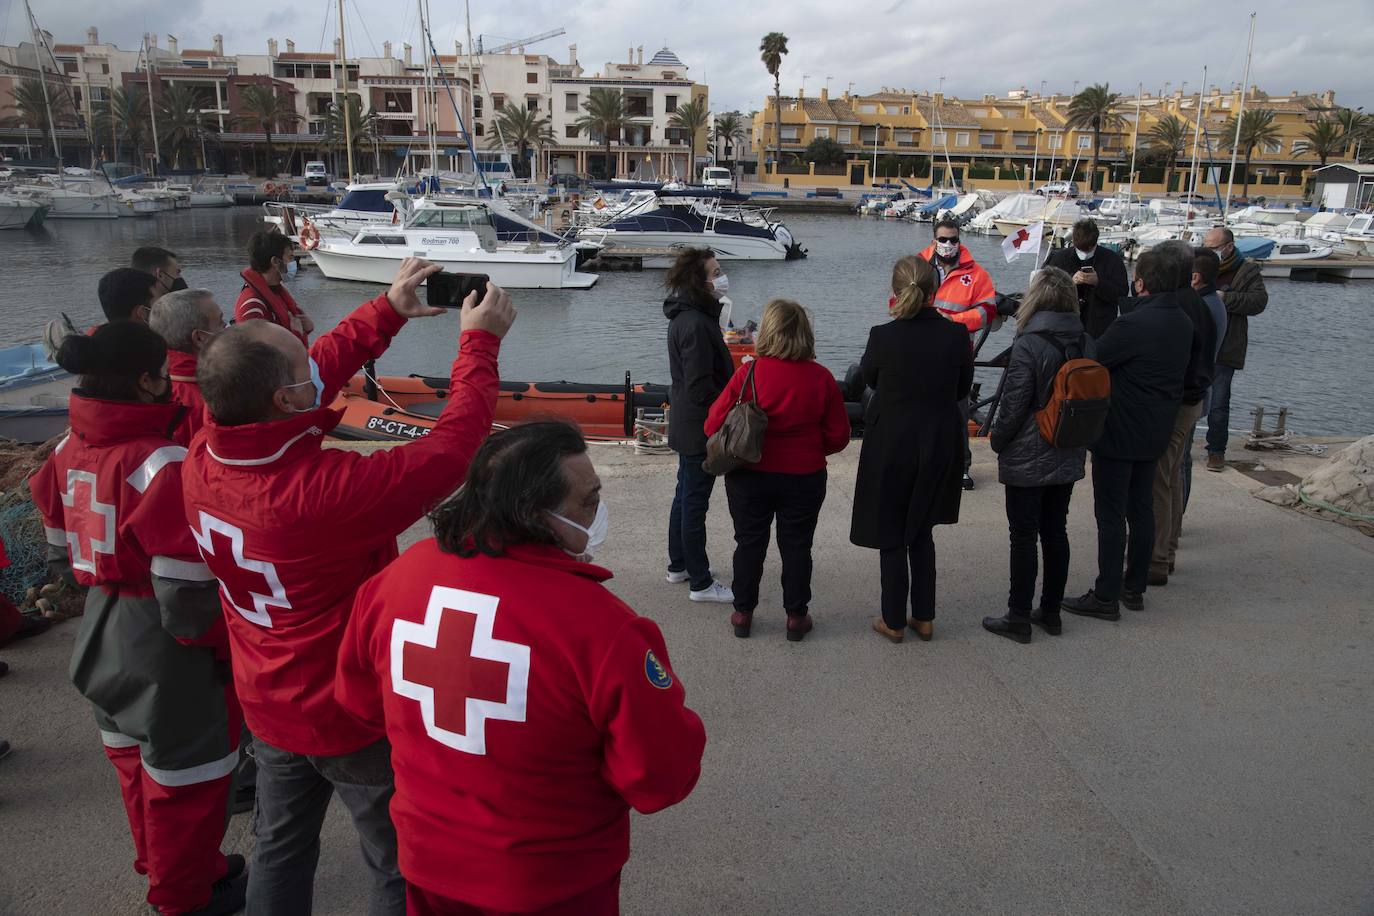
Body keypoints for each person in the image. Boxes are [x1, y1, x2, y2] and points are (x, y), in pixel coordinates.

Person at [183, 259, 514, 915]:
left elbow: (308, 374)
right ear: (284, 400)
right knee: (398, 860)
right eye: (300, 368)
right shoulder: (320, 495)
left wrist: (386, 310)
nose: (314, 364)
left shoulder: (205, 454)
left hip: (267, 698)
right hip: (348, 708)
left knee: (281, 846)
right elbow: (452, 449)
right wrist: (479, 343)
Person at [335, 422, 706, 915]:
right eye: (589, 501)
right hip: (550, 883)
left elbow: (359, 705)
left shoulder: (393, 581)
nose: (598, 511)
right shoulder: (602, 629)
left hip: (428, 862)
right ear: (534, 514)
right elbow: (660, 777)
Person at [28, 321, 245, 916]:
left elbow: (54, 539)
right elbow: (186, 587)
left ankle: (173, 866)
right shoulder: (165, 462)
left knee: (132, 761)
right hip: (162, 636)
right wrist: (222, 654)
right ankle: (182, 898)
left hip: (100, 623)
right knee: (189, 782)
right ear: (149, 379)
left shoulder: (65, 447)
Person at [704, 299, 850, 642]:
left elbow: (712, 423)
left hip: (750, 474)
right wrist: (811, 449)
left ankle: (743, 612)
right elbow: (839, 436)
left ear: (767, 332)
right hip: (804, 474)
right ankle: (796, 617)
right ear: (804, 333)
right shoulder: (822, 378)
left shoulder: (748, 373)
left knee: (749, 542)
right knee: (797, 545)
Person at [1062, 249, 1193, 621]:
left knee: (1110, 512)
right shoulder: (1182, 321)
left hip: (1120, 430)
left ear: (1141, 282)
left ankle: (1105, 595)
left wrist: (1077, 328)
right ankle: (1133, 586)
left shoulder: (1133, 325)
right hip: (1156, 427)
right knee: (1141, 508)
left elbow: (1095, 357)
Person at [851, 255, 973, 643]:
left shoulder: (883, 335)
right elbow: (961, 390)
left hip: (893, 442)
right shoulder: (956, 336)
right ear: (935, 291)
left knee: (892, 531)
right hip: (938, 440)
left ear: (896, 290)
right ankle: (924, 615)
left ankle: (893, 619)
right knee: (922, 530)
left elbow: (868, 378)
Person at [983, 267, 1093, 643]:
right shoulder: (1084, 339)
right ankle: (1050, 610)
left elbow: (1013, 404)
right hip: (1068, 445)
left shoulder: (1028, 343)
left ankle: (1017, 615)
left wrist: (997, 440)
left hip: (1030, 449)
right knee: (1055, 530)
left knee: (1023, 536)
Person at [663, 247, 735, 603]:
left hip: (686, 421)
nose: (722, 277)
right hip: (698, 428)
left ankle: (679, 564)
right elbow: (699, 385)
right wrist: (730, 399)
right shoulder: (695, 323)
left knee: (684, 496)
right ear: (700, 280)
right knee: (694, 504)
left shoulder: (690, 317)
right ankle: (701, 582)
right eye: (716, 271)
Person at [1147, 241, 1218, 586]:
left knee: (1160, 479)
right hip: (1191, 400)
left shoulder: (1180, 307)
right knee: (1172, 477)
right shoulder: (1199, 303)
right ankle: (1167, 549)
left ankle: (1157, 558)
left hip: (1177, 403)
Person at [918, 217, 997, 490]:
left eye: (953, 239)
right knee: (922, 412)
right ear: (933, 241)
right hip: (922, 351)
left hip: (958, 354)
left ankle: (961, 467)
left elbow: (988, 311)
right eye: (943, 239)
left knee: (958, 412)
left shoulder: (976, 274)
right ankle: (924, 464)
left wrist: (955, 321)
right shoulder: (917, 266)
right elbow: (896, 300)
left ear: (959, 240)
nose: (948, 244)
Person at [1202, 227, 1268, 472]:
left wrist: (1225, 298)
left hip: (1226, 346)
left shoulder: (1246, 270)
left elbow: (1258, 302)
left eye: (1213, 247)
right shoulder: (1199, 266)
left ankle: (1216, 451)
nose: (1209, 251)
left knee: (1219, 402)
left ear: (1228, 247)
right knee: (1187, 397)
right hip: (1198, 343)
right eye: (1206, 245)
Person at [1180, 248, 1228, 510]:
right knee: (1182, 460)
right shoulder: (1213, 303)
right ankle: (1175, 519)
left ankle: (1173, 521)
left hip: (1191, 393)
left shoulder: (1202, 308)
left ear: (1195, 277)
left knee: (1178, 462)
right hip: (1200, 390)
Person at [149, 288, 228, 441]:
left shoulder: (154, 385)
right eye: (220, 322)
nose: (227, 327)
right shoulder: (213, 400)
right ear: (199, 338)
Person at [1043, 218, 1129, 338]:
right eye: (1081, 250)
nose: (1085, 252)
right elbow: (1045, 292)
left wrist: (1098, 283)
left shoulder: (1112, 260)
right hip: (1064, 327)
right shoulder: (1059, 259)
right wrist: (1070, 282)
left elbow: (1122, 293)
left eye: (1089, 249)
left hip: (1099, 328)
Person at [235, 230, 314, 345]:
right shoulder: (252, 305)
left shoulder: (276, 292)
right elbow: (255, 356)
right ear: (275, 262)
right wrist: (296, 335)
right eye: (290, 257)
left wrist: (306, 328)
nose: (294, 263)